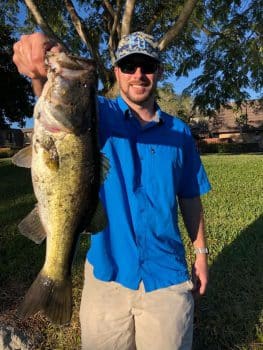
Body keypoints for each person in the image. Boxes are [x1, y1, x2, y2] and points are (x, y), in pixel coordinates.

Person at [13, 31, 211, 350]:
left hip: (167, 277)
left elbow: (190, 194)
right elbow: (62, 109)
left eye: (146, 66)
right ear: (117, 71)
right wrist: (45, 61)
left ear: (158, 71)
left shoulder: (181, 132)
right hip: (106, 275)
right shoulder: (98, 114)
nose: (138, 74)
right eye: (129, 65)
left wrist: (200, 253)